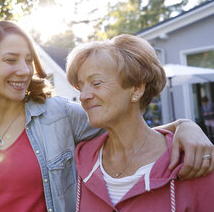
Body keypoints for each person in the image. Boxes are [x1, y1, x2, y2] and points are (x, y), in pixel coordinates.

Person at [0, 20, 214, 212]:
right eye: (11, 60)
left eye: (29, 60)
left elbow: (126, 127)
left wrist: (184, 125)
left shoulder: (59, 115)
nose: (24, 70)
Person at [67, 34, 214, 211]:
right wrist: (182, 124)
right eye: (81, 86)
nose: (83, 96)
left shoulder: (193, 161)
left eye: (96, 83)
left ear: (137, 88)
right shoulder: (80, 159)